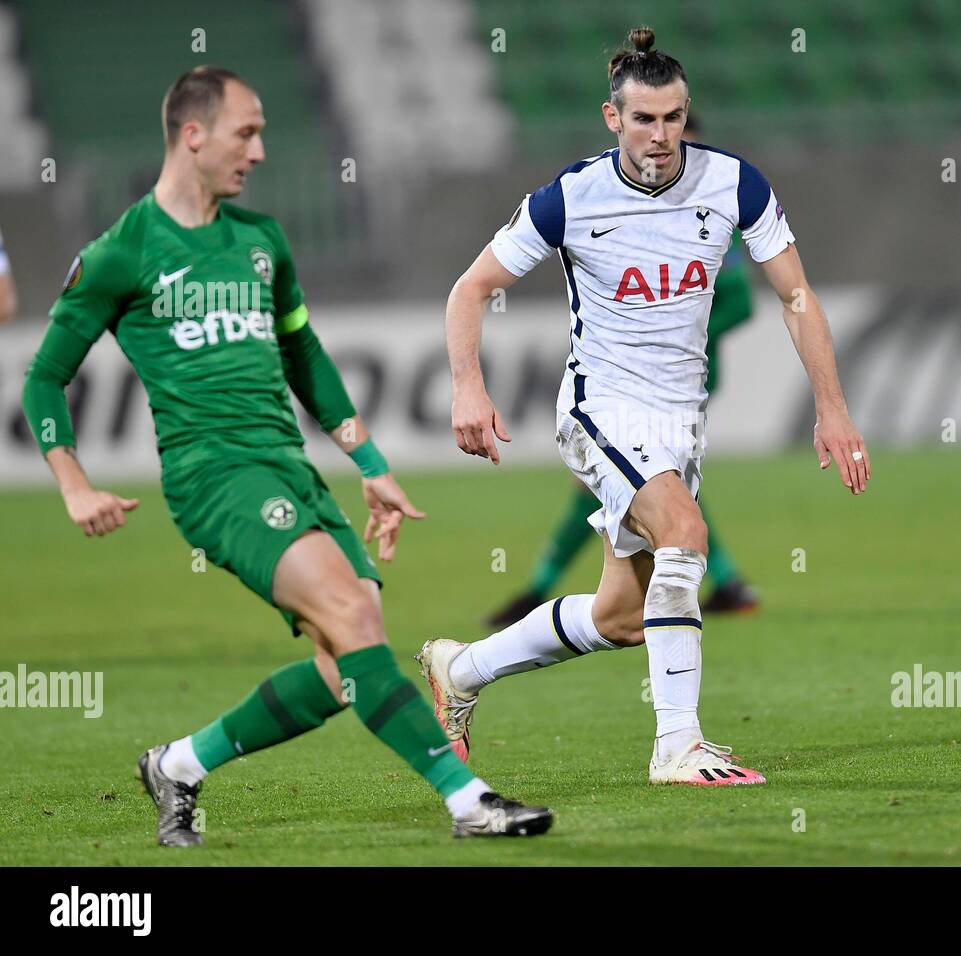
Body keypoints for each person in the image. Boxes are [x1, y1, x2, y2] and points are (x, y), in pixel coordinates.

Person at [21, 66, 551, 843]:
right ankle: (468, 800)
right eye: (247, 131)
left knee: (349, 662)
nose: (261, 150)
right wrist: (72, 485)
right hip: (215, 477)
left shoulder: (262, 240)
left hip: (290, 469)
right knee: (348, 614)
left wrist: (370, 465)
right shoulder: (119, 253)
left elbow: (304, 356)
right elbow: (43, 379)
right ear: (192, 135)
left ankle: (179, 765)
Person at [421, 27, 869, 786]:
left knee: (622, 617)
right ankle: (678, 746)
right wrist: (468, 384)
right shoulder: (570, 198)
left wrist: (833, 405)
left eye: (672, 118)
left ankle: (461, 669)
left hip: (679, 419)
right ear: (611, 118)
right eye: (643, 120)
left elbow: (795, 294)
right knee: (684, 533)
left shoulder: (734, 184)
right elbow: (471, 289)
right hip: (601, 406)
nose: (660, 137)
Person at [484, 112, 759, 629]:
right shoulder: (618, 208)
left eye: (680, 136)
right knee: (664, 492)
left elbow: (743, 302)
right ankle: (723, 580)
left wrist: (679, 331)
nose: (666, 148)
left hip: (684, 379)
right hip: (625, 385)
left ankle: (540, 589)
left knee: (653, 492)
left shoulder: (714, 211)